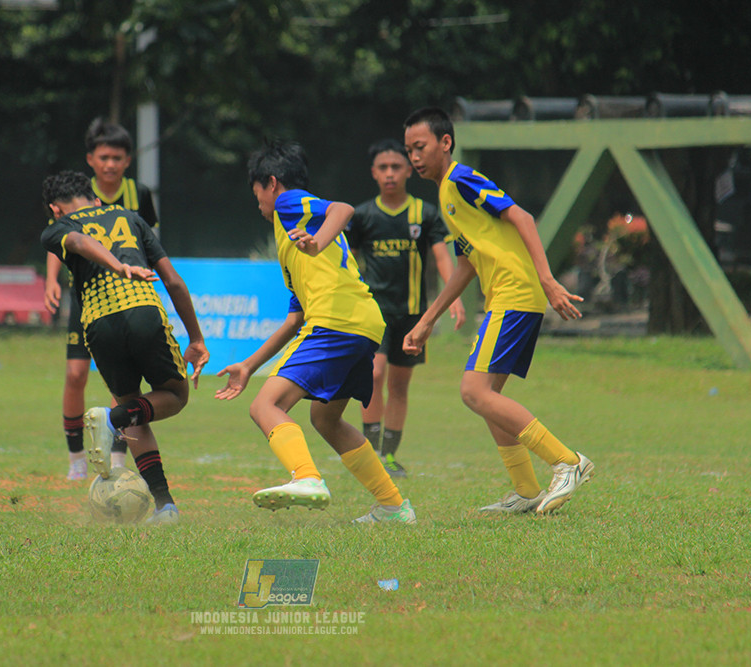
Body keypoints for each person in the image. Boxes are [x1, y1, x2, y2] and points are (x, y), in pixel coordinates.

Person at [401, 107, 594, 514]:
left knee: (473, 391)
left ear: (445, 143)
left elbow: (520, 216)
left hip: (515, 293)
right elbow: (468, 263)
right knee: (489, 395)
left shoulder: (461, 178)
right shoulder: (445, 194)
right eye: (409, 150)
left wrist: (546, 279)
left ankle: (567, 461)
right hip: (504, 296)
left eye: (420, 147)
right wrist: (427, 320)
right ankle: (526, 491)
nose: (414, 157)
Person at [215, 139, 415, 524]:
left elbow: (342, 208)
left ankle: (306, 477)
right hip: (363, 323)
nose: (256, 199)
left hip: (337, 321)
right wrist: (249, 366)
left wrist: (317, 242)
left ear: (271, 183)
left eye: (256, 189)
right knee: (326, 419)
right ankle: (393, 506)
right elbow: (294, 319)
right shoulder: (291, 236)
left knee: (265, 406)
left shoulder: (289, 204)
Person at [40, 170, 208, 524]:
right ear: (96, 199)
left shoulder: (57, 227)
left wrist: (112, 266)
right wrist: (195, 337)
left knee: (136, 408)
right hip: (143, 312)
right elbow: (174, 282)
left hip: (100, 324)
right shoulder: (131, 217)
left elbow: (80, 242)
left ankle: (166, 506)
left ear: (55, 209)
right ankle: (114, 420)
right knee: (174, 396)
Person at [44, 119, 160, 481]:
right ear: (91, 159)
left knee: (122, 382)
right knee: (76, 374)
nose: (111, 164)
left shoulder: (138, 194)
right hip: (87, 296)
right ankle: (76, 456)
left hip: (127, 295)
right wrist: (51, 279)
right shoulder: (75, 193)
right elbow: (63, 240)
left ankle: (119, 455)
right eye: (104, 157)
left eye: (118, 157)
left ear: (128, 161)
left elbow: (147, 238)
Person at [345, 138, 466, 478]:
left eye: (396, 167)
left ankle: (388, 456)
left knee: (399, 385)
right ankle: (369, 450)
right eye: (383, 168)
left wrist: (453, 295)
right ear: (373, 173)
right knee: (374, 374)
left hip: (414, 314)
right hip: (374, 313)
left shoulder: (424, 214)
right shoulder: (363, 215)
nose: (389, 173)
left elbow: (442, 255)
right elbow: (350, 262)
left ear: (409, 171)